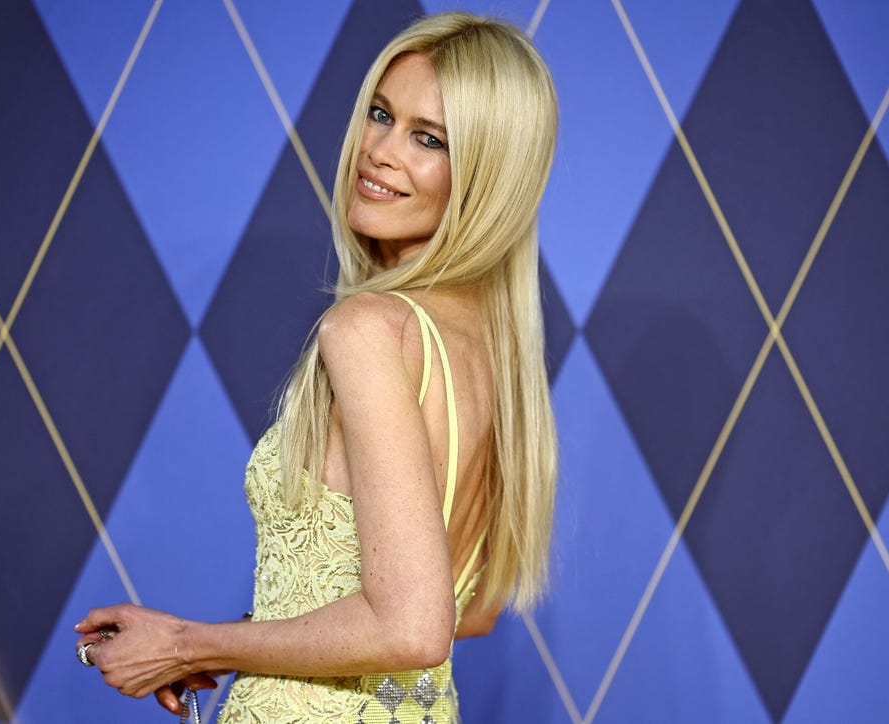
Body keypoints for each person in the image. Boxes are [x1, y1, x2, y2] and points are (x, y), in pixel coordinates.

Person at [74, 11, 558, 722]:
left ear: (489, 175)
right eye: (380, 114)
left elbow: (412, 627)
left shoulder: (368, 330)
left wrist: (184, 645)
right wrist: (232, 645)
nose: (379, 152)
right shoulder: (499, 358)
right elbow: (468, 611)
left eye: (429, 139)